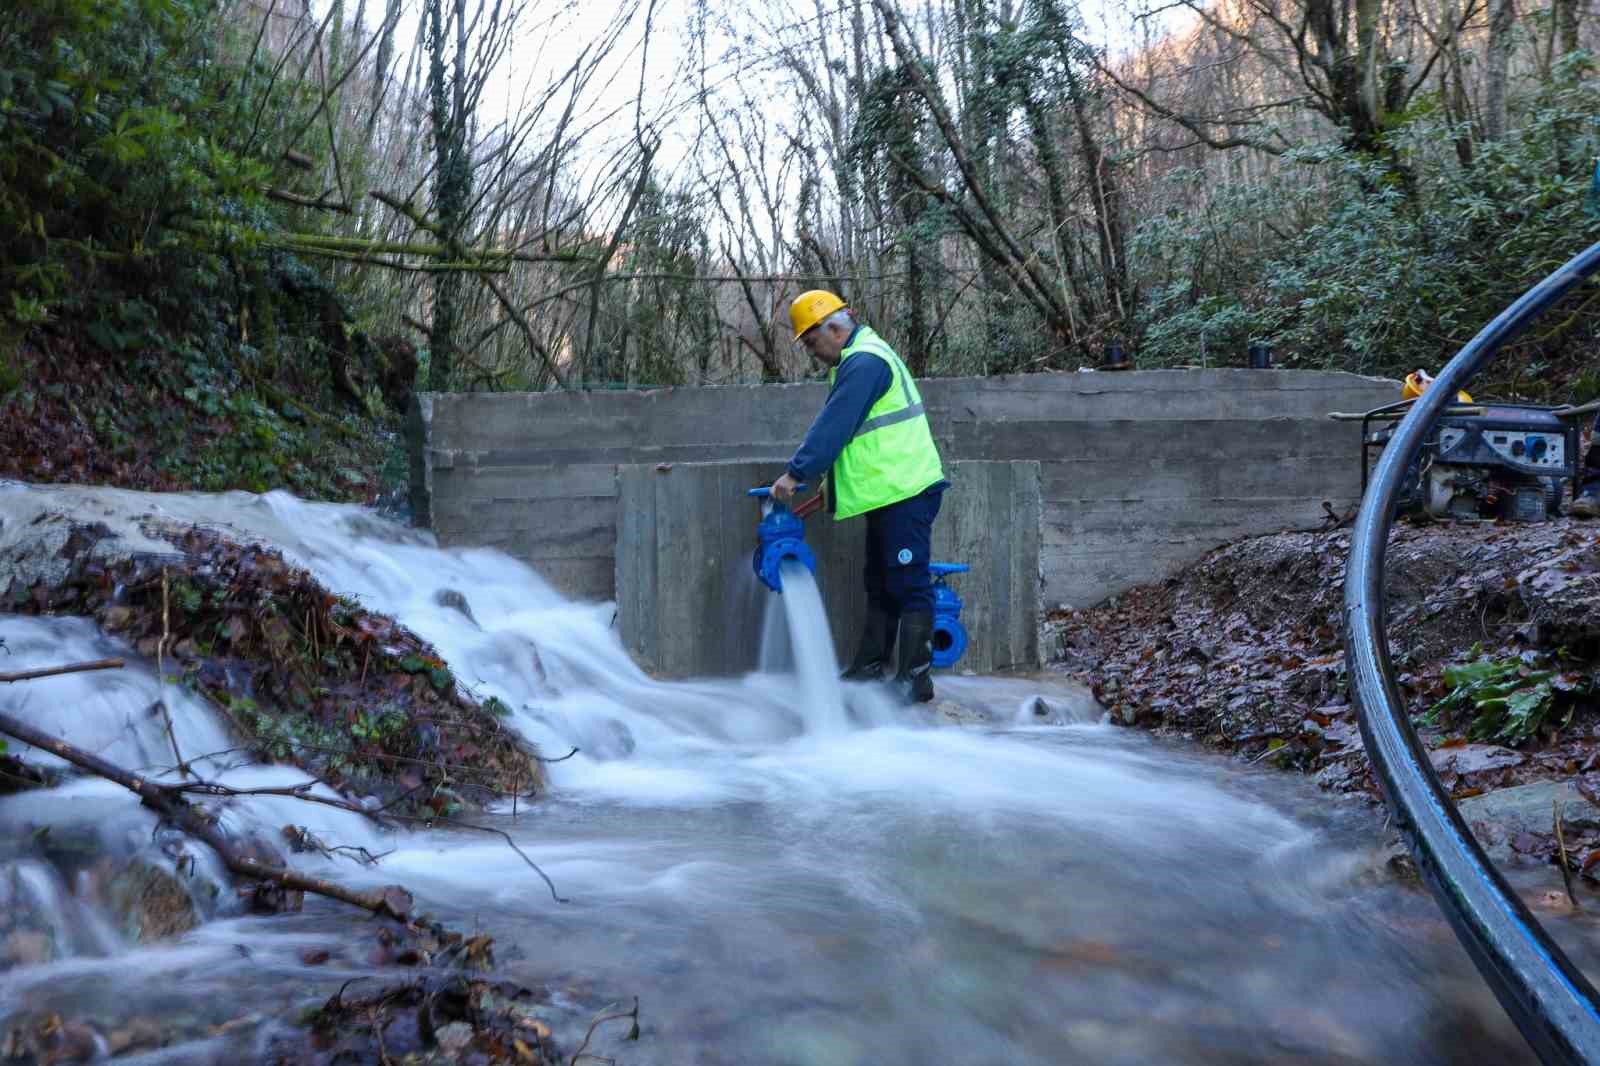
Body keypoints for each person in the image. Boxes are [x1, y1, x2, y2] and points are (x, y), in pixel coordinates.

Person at [769, 290, 948, 703]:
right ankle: (869, 667)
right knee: (881, 582)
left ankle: (915, 678)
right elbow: (861, 440)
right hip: (889, 492)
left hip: (907, 490)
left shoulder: (865, 361)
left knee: (908, 581)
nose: (812, 352)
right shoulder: (859, 359)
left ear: (834, 326)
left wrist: (796, 474)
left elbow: (835, 427)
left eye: (812, 342)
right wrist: (830, 490)